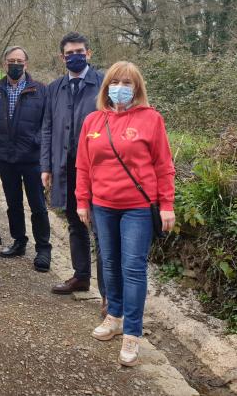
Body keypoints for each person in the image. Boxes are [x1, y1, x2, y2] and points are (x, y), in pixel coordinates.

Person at [75, 61, 176, 367]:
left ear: (137, 88)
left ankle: (133, 332)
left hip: (137, 207)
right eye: (115, 81)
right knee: (108, 263)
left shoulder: (151, 119)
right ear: (106, 87)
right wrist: (82, 201)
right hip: (103, 205)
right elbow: (83, 165)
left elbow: (163, 165)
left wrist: (167, 204)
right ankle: (114, 316)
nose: (121, 87)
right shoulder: (93, 121)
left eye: (128, 83)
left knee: (132, 267)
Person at [40, 32, 106, 308]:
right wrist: (46, 166)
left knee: (102, 231)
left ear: (89, 53)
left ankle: (108, 296)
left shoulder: (104, 83)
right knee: (75, 224)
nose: (75, 56)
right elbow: (47, 128)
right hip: (65, 169)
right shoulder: (55, 88)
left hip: (98, 171)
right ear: (62, 57)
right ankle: (81, 276)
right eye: (69, 53)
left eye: (80, 51)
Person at [0, 47, 52, 272]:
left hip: (32, 158)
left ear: (26, 64)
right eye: (11, 60)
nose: (15, 64)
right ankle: (19, 241)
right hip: (6, 158)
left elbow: (47, 122)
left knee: (37, 205)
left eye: (19, 61)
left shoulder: (40, 90)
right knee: (13, 203)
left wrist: (37, 140)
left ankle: (43, 249)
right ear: (5, 64)